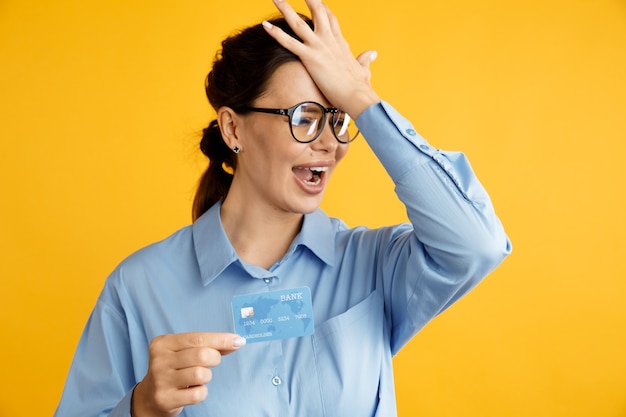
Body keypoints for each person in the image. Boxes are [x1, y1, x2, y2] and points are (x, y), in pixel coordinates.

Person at [54, 0, 511, 416]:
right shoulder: (138, 289)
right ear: (233, 129)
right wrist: (141, 407)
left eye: (338, 119)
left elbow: (477, 243)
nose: (330, 144)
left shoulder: (375, 267)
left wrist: (363, 101)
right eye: (305, 118)